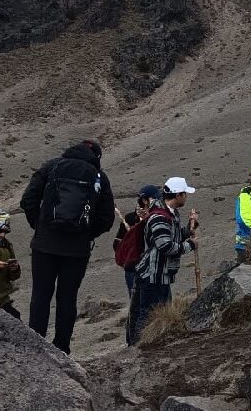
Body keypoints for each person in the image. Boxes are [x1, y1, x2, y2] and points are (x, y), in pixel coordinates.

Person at [20, 140, 115, 354]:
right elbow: (107, 218)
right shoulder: (99, 177)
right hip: (76, 250)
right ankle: (62, 349)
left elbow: (28, 199)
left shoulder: (51, 166)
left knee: (41, 294)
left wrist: (40, 226)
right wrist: (87, 234)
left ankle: (35, 347)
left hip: (45, 246)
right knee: (67, 298)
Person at [126, 177, 198, 346]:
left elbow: (173, 236)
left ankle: (146, 343)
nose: (186, 197)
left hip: (161, 273)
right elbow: (165, 245)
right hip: (153, 274)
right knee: (147, 313)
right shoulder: (159, 216)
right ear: (177, 195)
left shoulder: (169, 213)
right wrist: (189, 246)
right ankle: (137, 346)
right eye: (184, 194)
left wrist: (189, 229)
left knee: (153, 311)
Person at [113, 184, 160, 297]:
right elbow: (117, 243)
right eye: (155, 198)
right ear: (144, 200)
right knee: (138, 302)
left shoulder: (155, 216)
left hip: (153, 267)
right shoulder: (130, 219)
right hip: (134, 267)